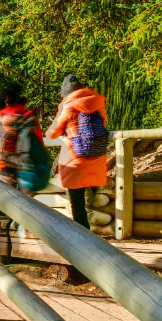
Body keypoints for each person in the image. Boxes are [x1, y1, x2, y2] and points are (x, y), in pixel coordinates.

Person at [46, 74, 109, 229]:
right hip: (96, 157)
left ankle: (83, 239)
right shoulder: (97, 102)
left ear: (67, 92)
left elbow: (52, 133)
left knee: (77, 204)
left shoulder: (68, 106)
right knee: (93, 196)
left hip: (74, 159)